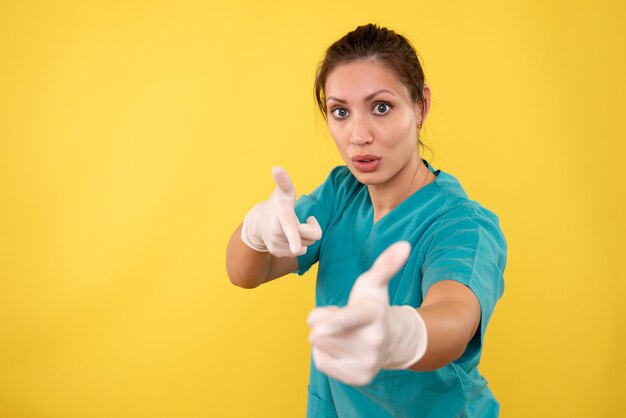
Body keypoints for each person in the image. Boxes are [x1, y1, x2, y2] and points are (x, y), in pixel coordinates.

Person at [226, 23, 507, 418]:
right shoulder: (340, 194)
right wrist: (256, 232)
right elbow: (245, 273)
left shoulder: (463, 225)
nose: (358, 135)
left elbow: (455, 318)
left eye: (381, 107)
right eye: (340, 112)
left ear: (421, 106)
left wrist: (396, 336)